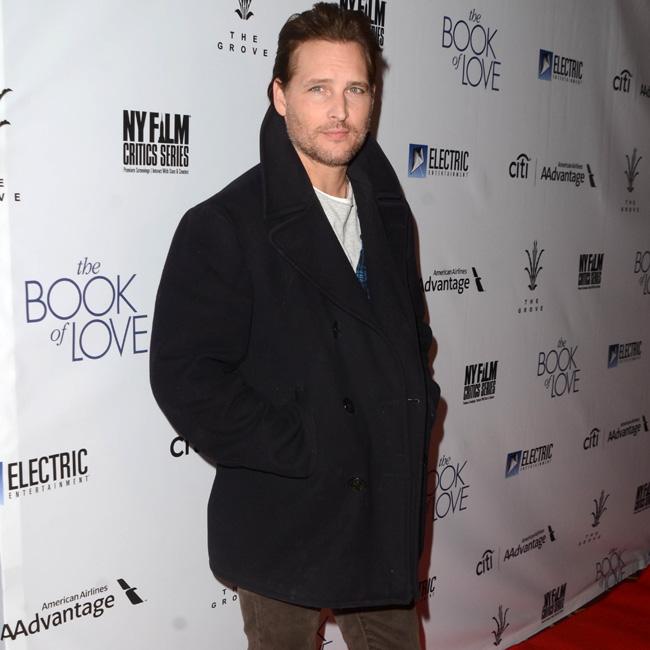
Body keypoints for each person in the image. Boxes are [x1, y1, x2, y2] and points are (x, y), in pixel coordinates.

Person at [150, 3, 439, 648]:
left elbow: (412, 339)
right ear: (279, 97)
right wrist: (305, 446)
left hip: (380, 514)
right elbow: (186, 377)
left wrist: (416, 409)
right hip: (285, 515)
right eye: (318, 89)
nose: (339, 110)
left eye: (355, 89)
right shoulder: (224, 224)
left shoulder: (390, 215)